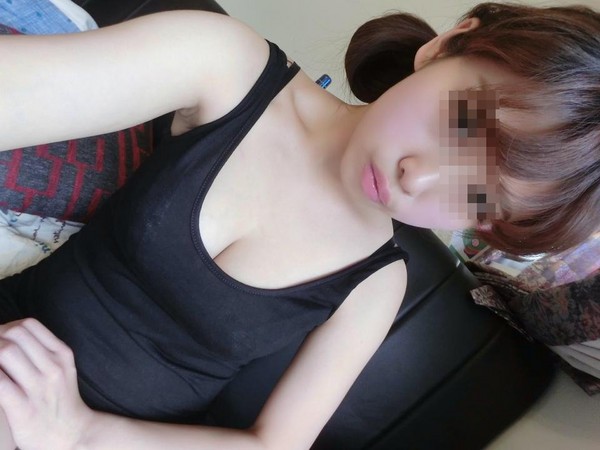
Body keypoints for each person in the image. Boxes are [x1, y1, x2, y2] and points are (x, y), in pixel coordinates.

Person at [0, 2, 598, 449]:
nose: (420, 178)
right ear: (448, 45)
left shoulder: (375, 284)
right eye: (463, 124)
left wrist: (76, 432)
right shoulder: (222, 64)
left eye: (477, 198)